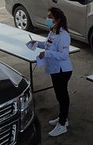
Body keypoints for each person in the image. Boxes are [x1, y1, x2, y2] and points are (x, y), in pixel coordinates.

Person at [27, 7, 73, 137]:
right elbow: (48, 44)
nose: (48, 19)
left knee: (62, 96)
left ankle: (63, 124)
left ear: (58, 20)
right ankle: (62, 118)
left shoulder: (63, 35)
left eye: (50, 17)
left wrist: (46, 53)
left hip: (62, 70)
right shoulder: (52, 32)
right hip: (54, 69)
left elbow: (63, 55)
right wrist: (37, 44)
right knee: (59, 95)